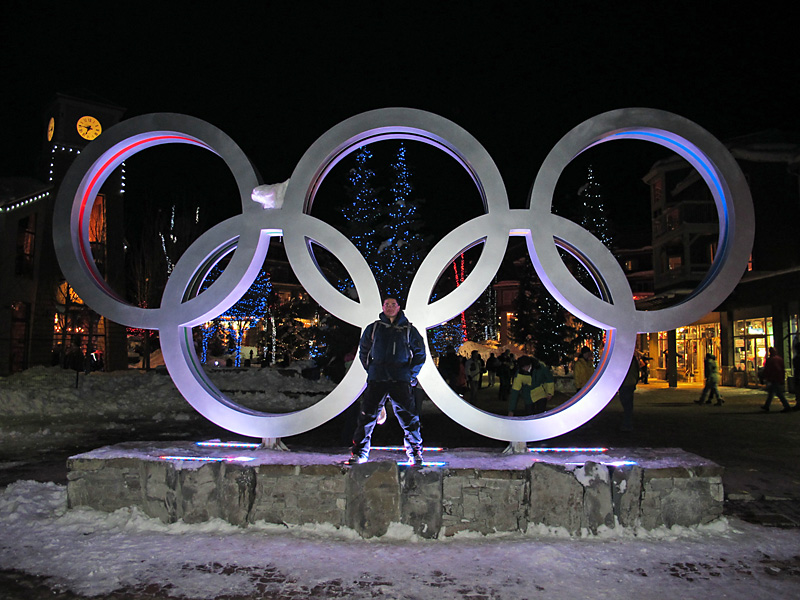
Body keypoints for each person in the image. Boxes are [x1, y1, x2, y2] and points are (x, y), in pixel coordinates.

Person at [348, 298, 426, 465]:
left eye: (393, 305)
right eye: (386, 305)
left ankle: (415, 453)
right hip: (378, 378)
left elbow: (420, 354)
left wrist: (410, 374)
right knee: (367, 416)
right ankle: (359, 453)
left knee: (409, 418)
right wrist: (371, 369)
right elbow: (364, 350)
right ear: (382, 307)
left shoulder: (409, 330)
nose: (390, 308)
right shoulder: (374, 328)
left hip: (400, 379)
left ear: (399, 307)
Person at [760, 347, 792, 413]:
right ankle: (767, 405)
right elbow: (782, 369)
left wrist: (764, 377)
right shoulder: (780, 359)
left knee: (777, 393)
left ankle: (786, 406)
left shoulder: (770, 360)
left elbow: (767, 370)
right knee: (772, 393)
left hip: (773, 378)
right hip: (777, 378)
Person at [618, 353, 640, 432]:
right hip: (630, 383)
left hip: (624, 384)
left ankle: (627, 423)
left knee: (626, 404)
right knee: (629, 405)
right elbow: (637, 371)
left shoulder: (621, 360)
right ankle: (628, 423)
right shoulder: (633, 359)